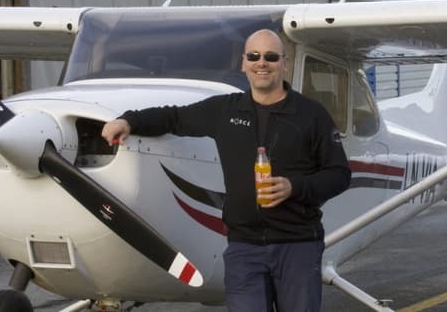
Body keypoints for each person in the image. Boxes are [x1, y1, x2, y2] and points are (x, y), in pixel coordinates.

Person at [101, 29, 351, 312]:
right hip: (244, 248)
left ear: (285, 64)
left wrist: (295, 187)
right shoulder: (226, 110)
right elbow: (174, 117)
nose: (262, 63)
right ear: (243, 63)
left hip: (297, 246)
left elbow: (339, 174)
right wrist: (128, 121)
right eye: (254, 56)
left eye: (271, 57)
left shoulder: (312, 114)